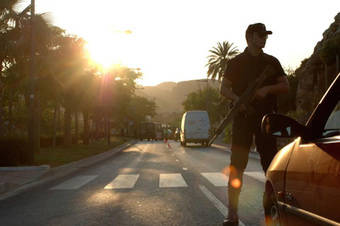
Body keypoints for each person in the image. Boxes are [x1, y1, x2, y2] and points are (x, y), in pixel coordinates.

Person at [220, 23, 289, 226]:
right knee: (236, 168)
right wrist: (238, 100)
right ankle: (232, 214)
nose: (264, 38)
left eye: (265, 35)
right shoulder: (236, 63)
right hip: (243, 120)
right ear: (249, 37)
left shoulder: (271, 62)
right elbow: (223, 89)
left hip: (266, 120)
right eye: (260, 35)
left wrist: (267, 89)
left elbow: (285, 86)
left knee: (270, 166)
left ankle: (271, 213)